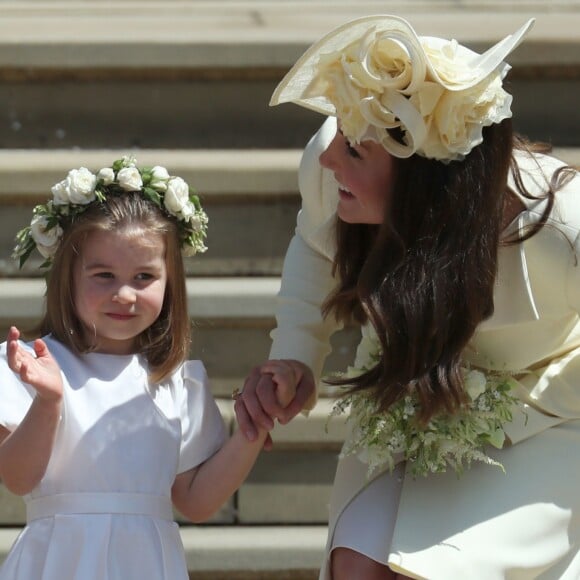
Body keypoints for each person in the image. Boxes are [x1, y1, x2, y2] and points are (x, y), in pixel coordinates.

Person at [234, 14, 580, 579]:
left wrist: (540, 410)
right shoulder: (331, 163)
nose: (328, 159)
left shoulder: (559, 224)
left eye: (354, 152)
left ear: (426, 178)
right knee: (358, 566)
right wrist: (297, 353)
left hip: (544, 414)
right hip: (407, 389)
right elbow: (316, 247)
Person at [0, 157, 289, 579]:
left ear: (170, 281)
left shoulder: (176, 379)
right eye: (103, 275)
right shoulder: (32, 365)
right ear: (68, 275)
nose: (124, 294)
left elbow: (196, 499)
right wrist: (49, 401)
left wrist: (255, 425)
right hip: (59, 562)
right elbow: (18, 478)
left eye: (143, 277)